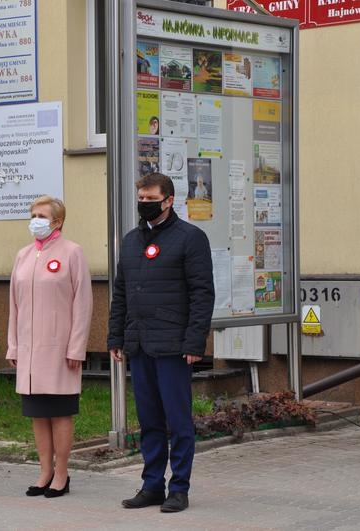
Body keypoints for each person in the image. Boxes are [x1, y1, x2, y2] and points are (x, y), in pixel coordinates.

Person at [107, 173, 214, 513]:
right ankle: (152, 484)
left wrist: (195, 341)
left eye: (150, 198)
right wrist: (115, 336)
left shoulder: (191, 238)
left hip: (173, 346)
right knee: (150, 420)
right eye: (140, 197)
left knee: (178, 421)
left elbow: (202, 294)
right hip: (139, 345)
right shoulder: (131, 240)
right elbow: (121, 292)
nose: (144, 203)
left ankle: (178, 488)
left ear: (168, 200)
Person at [6, 196, 92, 499]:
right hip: (29, 351)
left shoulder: (72, 253)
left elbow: (83, 304)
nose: (35, 220)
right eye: (32, 214)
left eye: (41, 215)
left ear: (58, 221)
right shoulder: (23, 255)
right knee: (38, 413)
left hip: (59, 350)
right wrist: (13, 346)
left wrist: (76, 348)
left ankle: (62, 473)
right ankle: (44, 471)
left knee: (59, 412)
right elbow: (14, 306)